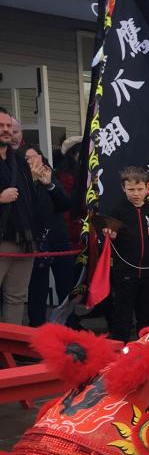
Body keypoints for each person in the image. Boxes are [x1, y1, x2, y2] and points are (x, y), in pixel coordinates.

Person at [104, 166, 149, 340]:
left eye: (139, 189)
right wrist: (109, 236)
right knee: (123, 313)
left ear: (147, 188)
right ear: (123, 189)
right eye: (131, 190)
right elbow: (107, 239)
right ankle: (120, 349)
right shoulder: (117, 211)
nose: (135, 193)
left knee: (148, 314)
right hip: (125, 272)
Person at [0, 109, 43, 323]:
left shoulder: (19, 160)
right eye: (1, 126)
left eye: (8, 126)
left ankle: (8, 353)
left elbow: (31, 200)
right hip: (2, 239)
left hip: (25, 238)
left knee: (16, 297)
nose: (6, 130)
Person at [24, 146, 72, 326]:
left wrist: (50, 185)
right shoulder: (21, 180)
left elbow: (65, 204)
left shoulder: (50, 176)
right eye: (26, 159)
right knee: (38, 289)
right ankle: (36, 327)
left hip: (59, 238)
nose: (29, 161)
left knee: (66, 286)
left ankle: (70, 324)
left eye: (32, 157)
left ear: (41, 158)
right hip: (37, 242)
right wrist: (32, 182)